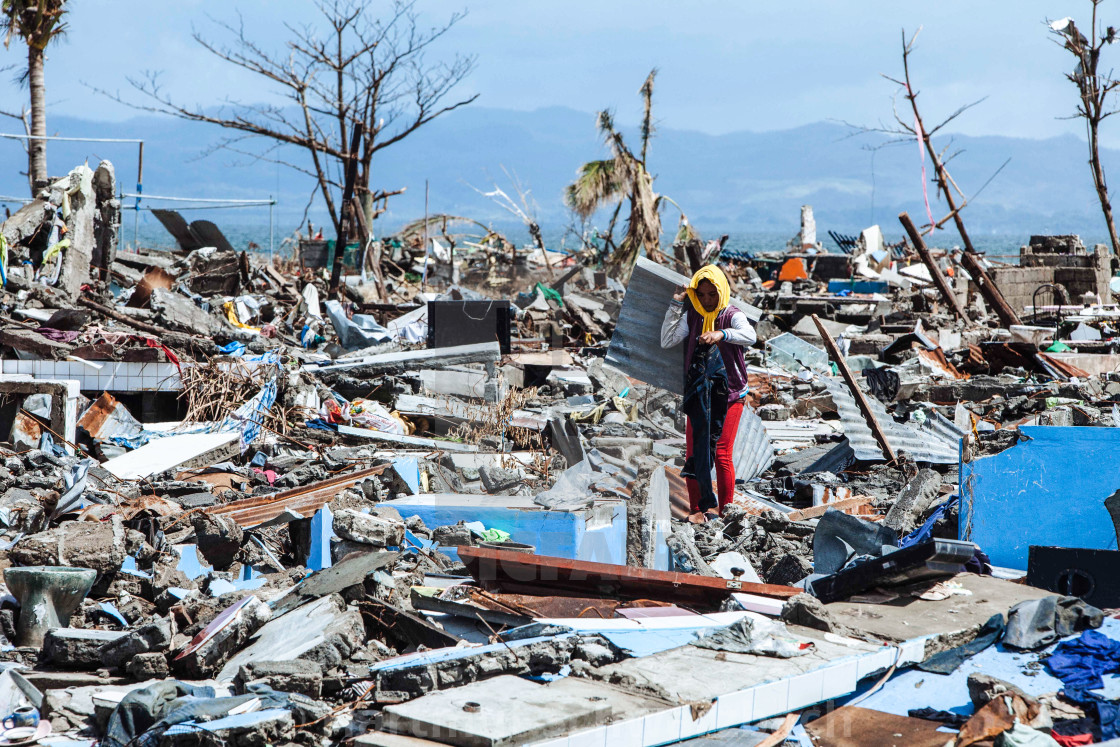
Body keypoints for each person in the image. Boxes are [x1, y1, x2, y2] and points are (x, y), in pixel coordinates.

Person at [661, 265, 756, 523]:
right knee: (694, 453)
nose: (706, 300)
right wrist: (675, 304)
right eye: (701, 295)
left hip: (731, 395)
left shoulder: (731, 315)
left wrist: (721, 334)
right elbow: (667, 341)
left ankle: (727, 512)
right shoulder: (693, 316)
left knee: (721, 452)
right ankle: (698, 510)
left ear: (721, 292)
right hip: (699, 395)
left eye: (711, 294)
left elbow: (750, 335)